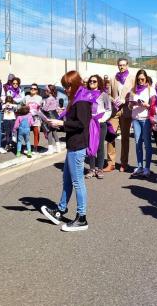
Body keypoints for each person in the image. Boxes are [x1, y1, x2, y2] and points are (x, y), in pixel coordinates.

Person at [41, 71, 93, 232]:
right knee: (68, 180)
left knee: (77, 182)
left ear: (75, 84)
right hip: (73, 144)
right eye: (65, 86)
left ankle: (82, 218)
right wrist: (60, 123)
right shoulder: (77, 98)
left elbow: (82, 124)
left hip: (78, 146)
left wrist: (61, 124)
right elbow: (75, 122)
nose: (66, 89)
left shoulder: (82, 100)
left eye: (68, 86)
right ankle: (60, 210)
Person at [107, 58, 135, 172]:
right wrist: (113, 100)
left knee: (125, 138)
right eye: (120, 65)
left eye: (123, 65)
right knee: (110, 136)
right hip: (115, 110)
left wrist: (126, 99)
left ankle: (124, 163)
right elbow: (108, 94)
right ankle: (111, 163)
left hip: (126, 110)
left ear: (127, 65)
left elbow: (134, 94)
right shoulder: (113, 78)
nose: (121, 67)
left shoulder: (132, 79)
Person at [129, 69, 156, 177]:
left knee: (147, 144)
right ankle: (140, 166)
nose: (140, 81)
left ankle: (147, 168)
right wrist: (131, 104)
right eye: (138, 79)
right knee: (137, 143)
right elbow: (130, 106)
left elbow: (153, 106)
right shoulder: (133, 90)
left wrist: (146, 105)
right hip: (135, 118)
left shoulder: (151, 90)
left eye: (142, 79)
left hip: (146, 119)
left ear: (146, 78)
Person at [86, 75, 112, 179]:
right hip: (90, 123)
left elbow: (108, 109)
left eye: (94, 81)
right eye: (90, 81)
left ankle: (100, 169)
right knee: (91, 145)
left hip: (100, 123)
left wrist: (102, 119)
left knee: (100, 146)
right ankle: (92, 169)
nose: (92, 82)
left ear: (98, 83)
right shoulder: (86, 94)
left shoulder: (103, 94)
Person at [41, 85, 61, 154]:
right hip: (54, 115)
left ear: (49, 91)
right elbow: (57, 107)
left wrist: (42, 106)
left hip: (49, 116)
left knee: (49, 132)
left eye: (46, 90)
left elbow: (45, 108)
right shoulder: (56, 98)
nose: (45, 92)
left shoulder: (49, 99)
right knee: (54, 132)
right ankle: (58, 148)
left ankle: (50, 149)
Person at [25, 83, 43, 153]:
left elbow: (39, 106)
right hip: (27, 117)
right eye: (31, 88)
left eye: (34, 89)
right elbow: (22, 104)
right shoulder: (26, 97)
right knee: (26, 133)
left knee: (36, 133)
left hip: (36, 117)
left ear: (37, 90)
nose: (32, 90)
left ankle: (35, 148)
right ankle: (28, 147)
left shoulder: (39, 98)